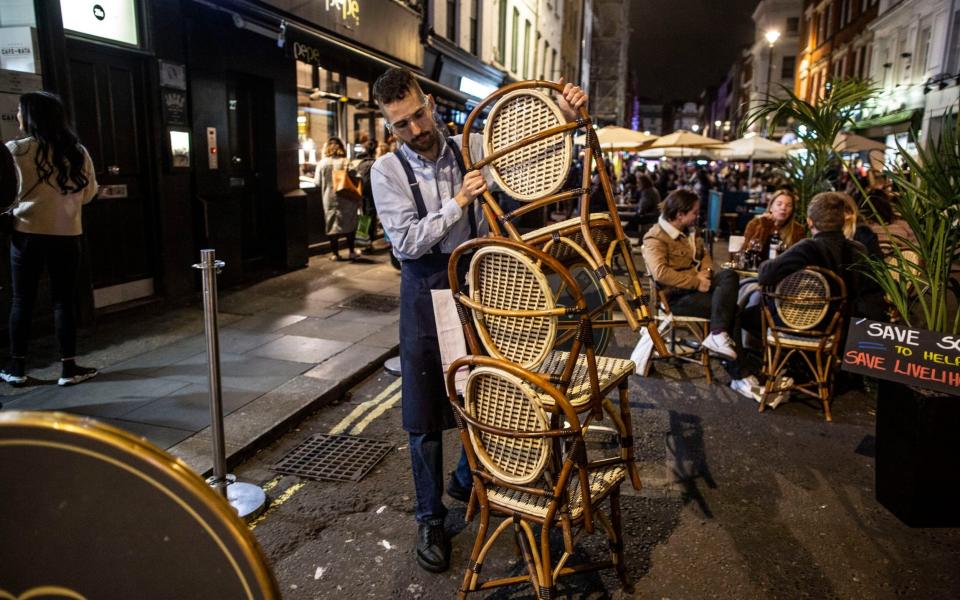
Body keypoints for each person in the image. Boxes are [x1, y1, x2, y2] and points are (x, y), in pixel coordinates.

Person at [370, 67, 586, 574]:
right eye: (402, 125)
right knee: (424, 417)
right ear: (389, 127)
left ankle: (469, 478)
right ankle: (430, 518)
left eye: (419, 115)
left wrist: (569, 119)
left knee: (493, 390)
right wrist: (458, 202)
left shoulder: (476, 145)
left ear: (428, 101)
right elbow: (405, 243)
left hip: (480, 286)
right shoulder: (386, 172)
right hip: (424, 293)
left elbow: (534, 161)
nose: (417, 130)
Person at [1, 91, 98, 387]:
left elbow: (4, 192)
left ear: (29, 116)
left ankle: (16, 368)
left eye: (20, 110)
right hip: (67, 234)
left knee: (22, 301)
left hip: (26, 233)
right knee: (63, 301)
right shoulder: (76, 151)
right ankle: (68, 369)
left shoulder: (14, 151)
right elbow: (90, 193)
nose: (17, 115)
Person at [641, 189, 758, 398]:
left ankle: (718, 335)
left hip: (698, 288)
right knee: (733, 310)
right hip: (675, 298)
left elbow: (704, 256)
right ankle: (739, 374)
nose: (698, 215)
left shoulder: (689, 233)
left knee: (730, 275)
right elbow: (660, 273)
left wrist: (706, 272)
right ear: (679, 214)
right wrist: (696, 282)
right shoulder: (655, 237)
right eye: (694, 212)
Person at [314, 137, 360, 261]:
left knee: (332, 225)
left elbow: (317, 183)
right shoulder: (346, 162)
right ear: (341, 148)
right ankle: (351, 252)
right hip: (346, 198)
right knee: (349, 224)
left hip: (328, 199)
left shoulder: (322, 163)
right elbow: (356, 177)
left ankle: (335, 254)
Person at [741, 189, 806, 259]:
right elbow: (746, 251)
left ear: (792, 211)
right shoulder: (755, 224)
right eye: (779, 204)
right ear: (771, 207)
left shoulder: (798, 229)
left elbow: (799, 257)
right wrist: (765, 228)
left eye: (788, 205)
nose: (783, 208)